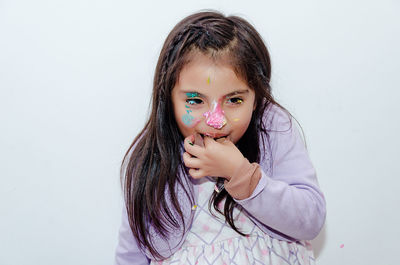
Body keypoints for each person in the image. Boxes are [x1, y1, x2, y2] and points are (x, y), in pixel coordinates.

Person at [114, 10, 326, 265]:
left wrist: (240, 175)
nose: (216, 119)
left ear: (256, 97)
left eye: (234, 100)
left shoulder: (272, 129)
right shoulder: (151, 154)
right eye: (195, 100)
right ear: (168, 98)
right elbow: (132, 251)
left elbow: (311, 218)